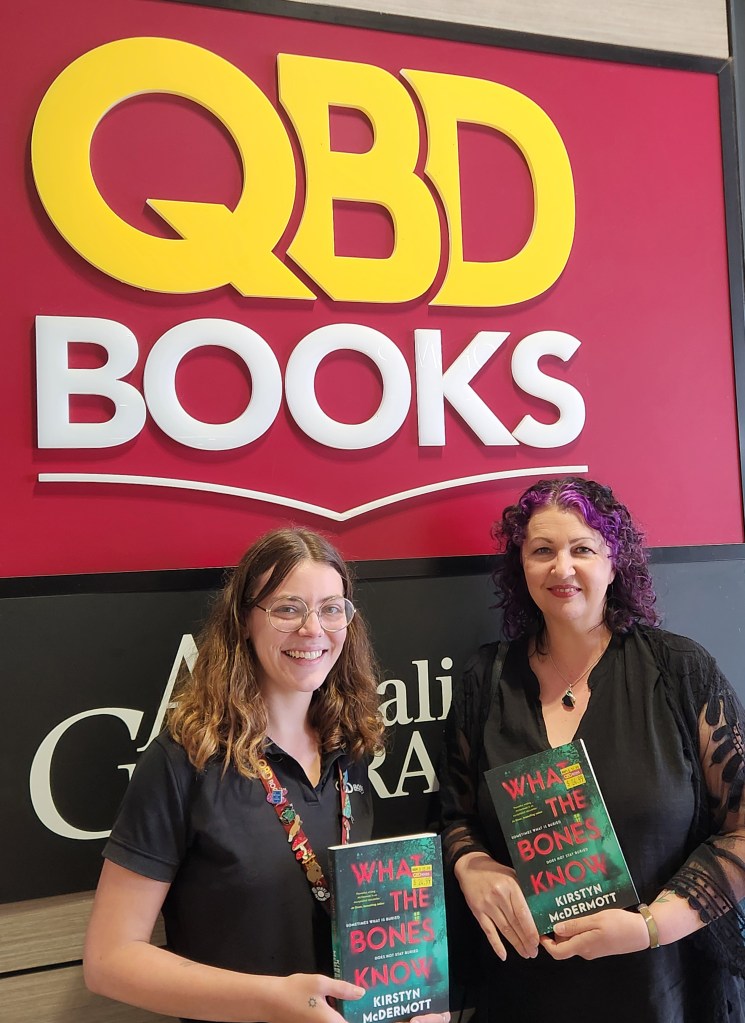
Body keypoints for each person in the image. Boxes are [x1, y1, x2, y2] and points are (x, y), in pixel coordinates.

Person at [84, 527, 448, 1023]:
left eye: (331, 608)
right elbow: (110, 961)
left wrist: (404, 1005)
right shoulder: (184, 760)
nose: (312, 630)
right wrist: (271, 1001)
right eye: (287, 609)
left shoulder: (350, 750)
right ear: (244, 622)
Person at [438, 477, 745, 1023]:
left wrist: (652, 926)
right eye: (542, 551)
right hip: (524, 996)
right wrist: (474, 865)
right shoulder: (483, 680)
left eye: (582, 548)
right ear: (521, 568)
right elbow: (456, 815)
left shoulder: (679, 671)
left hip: (661, 993)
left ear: (614, 561)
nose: (562, 568)